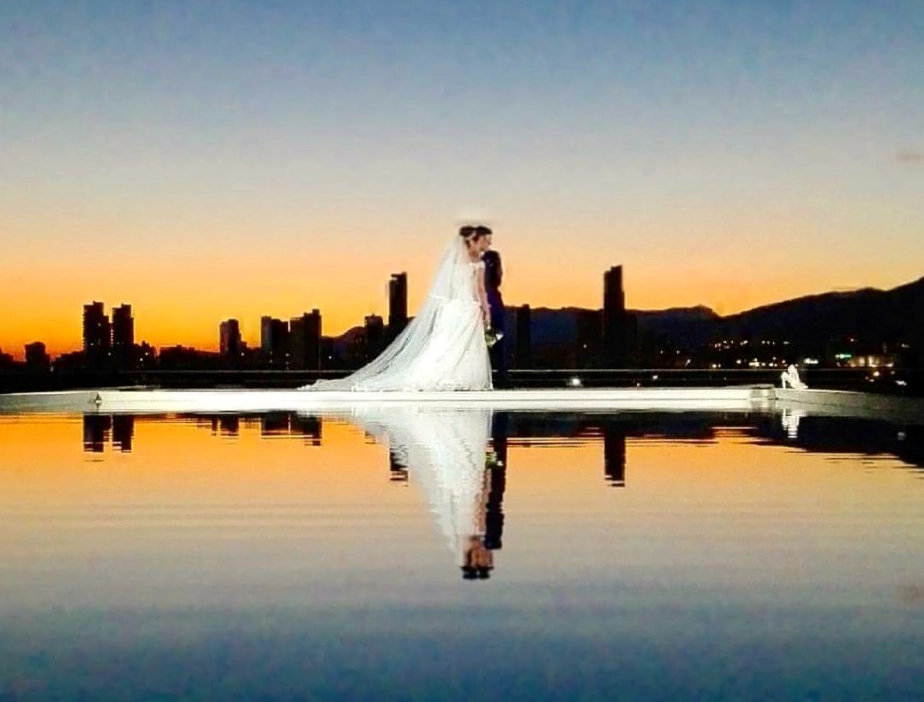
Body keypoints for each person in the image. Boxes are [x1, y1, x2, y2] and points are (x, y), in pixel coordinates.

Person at [298, 226, 493, 391]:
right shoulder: (477, 264)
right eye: (486, 240)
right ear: (476, 240)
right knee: (461, 346)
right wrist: (486, 311)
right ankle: (460, 378)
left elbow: (447, 289)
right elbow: (480, 290)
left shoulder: (454, 263)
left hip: (453, 309)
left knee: (445, 344)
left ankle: (442, 376)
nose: (488, 245)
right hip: (467, 308)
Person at [477, 225, 508, 387]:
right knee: (496, 339)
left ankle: (489, 375)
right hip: (491, 303)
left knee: (487, 341)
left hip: (481, 302)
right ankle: (500, 376)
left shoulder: (473, 259)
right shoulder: (490, 258)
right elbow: (497, 278)